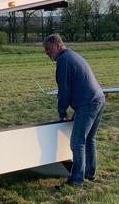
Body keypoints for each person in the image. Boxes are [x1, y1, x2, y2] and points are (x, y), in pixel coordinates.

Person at [43, 34, 105, 187]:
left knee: (77, 143)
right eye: (45, 50)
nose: (47, 53)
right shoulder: (72, 55)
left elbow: (64, 89)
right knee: (89, 139)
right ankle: (89, 174)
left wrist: (62, 112)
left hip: (88, 103)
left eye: (48, 49)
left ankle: (76, 180)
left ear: (58, 46)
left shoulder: (63, 61)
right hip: (99, 99)